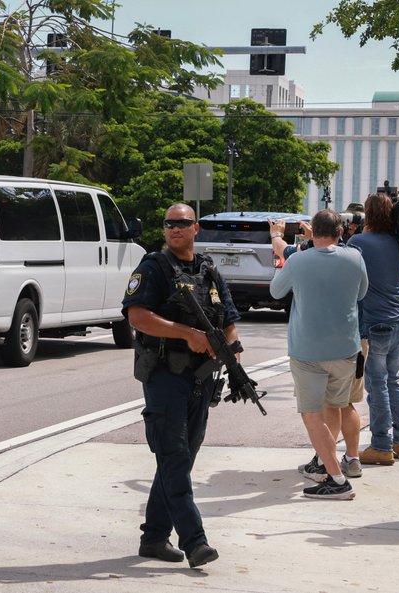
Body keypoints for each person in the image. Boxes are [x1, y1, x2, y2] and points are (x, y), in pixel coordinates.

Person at [122, 203, 240, 569]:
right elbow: (137, 316)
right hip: (164, 376)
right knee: (173, 457)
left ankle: (154, 538)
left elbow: (230, 320)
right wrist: (185, 333)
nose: (175, 229)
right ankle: (195, 541)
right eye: (169, 224)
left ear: (196, 228)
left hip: (200, 378)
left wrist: (232, 358)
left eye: (182, 224)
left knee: (181, 459)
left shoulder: (208, 271)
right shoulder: (154, 268)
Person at [270, 209, 368, 499]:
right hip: (346, 348)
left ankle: (336, 480)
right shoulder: (355, 257)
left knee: (312, 415)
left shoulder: (298, 260)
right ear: (341, 232)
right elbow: (362, 293)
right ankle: (330, 466)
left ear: (312, 231)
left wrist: (282, 254)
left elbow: (276, 292)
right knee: (335, 407)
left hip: (308, 349)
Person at [347, 193, 399, 466]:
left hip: (375, 321)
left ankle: (381, 444)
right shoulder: (397, 242)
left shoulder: (358, 242)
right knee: (392, 380)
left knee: (377, 386)